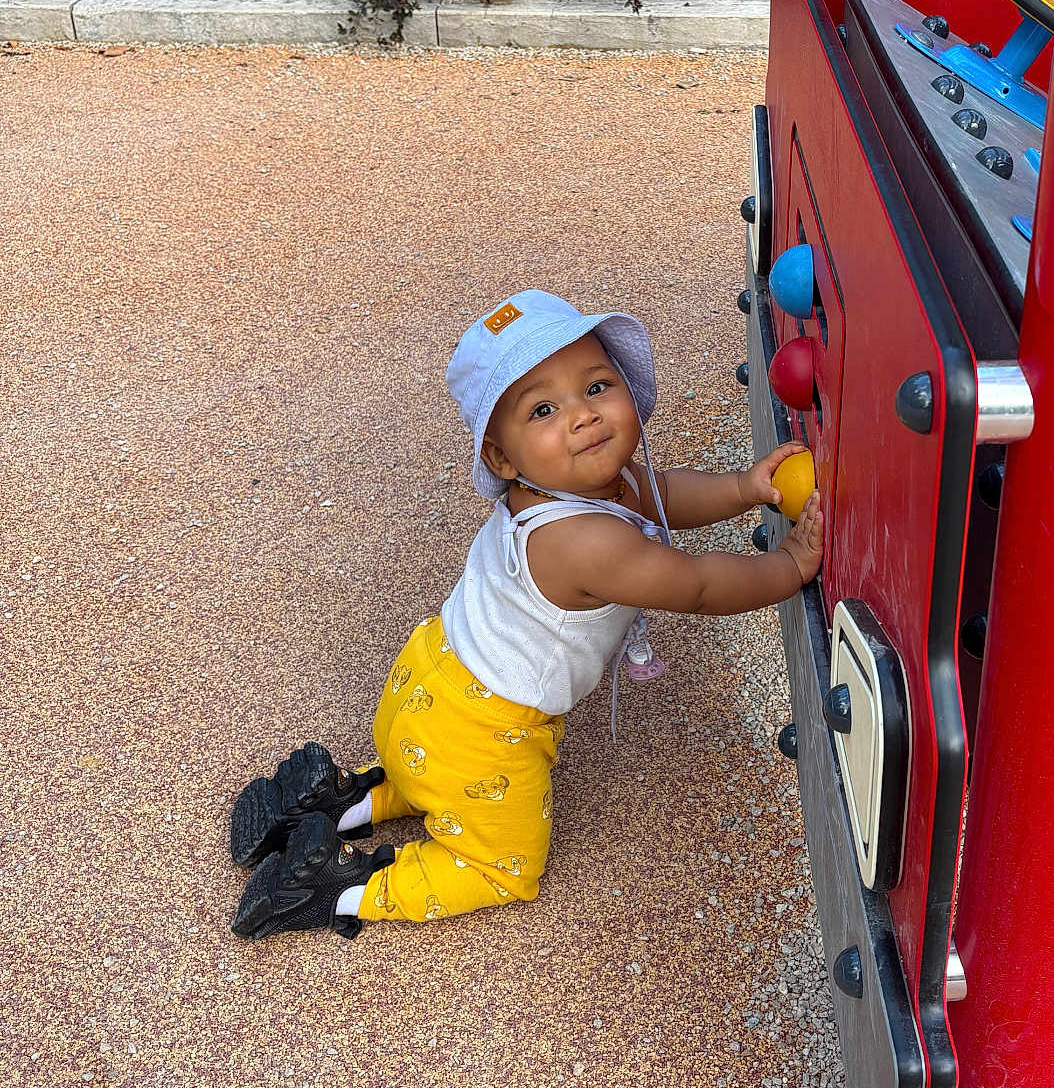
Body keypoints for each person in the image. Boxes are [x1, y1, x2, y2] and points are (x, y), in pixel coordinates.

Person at [229, 289, 823, 940]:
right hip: (483, 735)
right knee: (505, 868)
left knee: (441, 778)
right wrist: (790, 566)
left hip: (428, 681)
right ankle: (334, 889)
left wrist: (744, 488)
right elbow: (701, 586)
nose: (583, 416)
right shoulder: (584, 543)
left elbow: (662, 494)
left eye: (597, 385)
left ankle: (340, 803)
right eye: (544, 408)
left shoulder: (566, 484)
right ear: (502, 459)